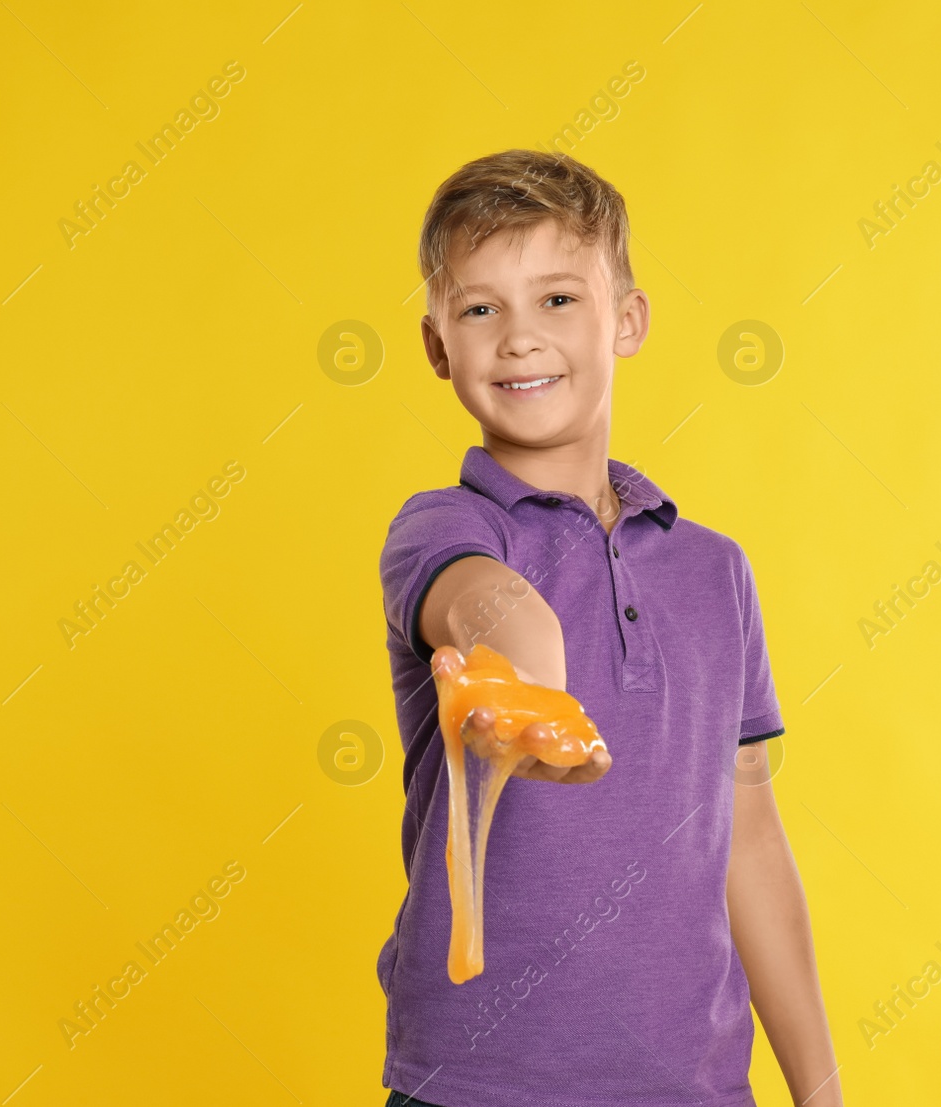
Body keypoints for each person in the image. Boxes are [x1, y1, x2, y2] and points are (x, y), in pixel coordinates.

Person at [377, 148, 842, 1107]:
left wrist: (821, 1092)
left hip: (692, 1086)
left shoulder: (716, 572)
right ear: (437, 348)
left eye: (556, 299)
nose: (517, 338)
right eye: (479, 309)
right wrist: (524, 696)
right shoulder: (445, 525)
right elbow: (486, 605)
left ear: (625, 321)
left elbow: (747, 837)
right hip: (473, 1085)